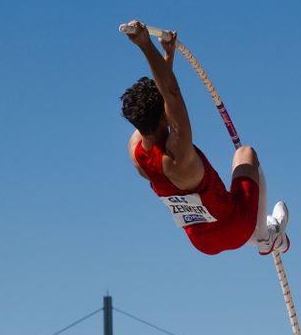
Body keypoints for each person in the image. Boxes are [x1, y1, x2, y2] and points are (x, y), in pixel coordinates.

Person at [121, 23, 287, 256]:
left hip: (202, 243)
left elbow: (162, 100)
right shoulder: (178, 153)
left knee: (225, 208)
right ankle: (263, 238)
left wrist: (167, 58)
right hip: (236, 228)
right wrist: (145, 45)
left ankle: (265, 236)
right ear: (163, 117)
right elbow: (171, 94)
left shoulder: (136, 151)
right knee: (246, 154)